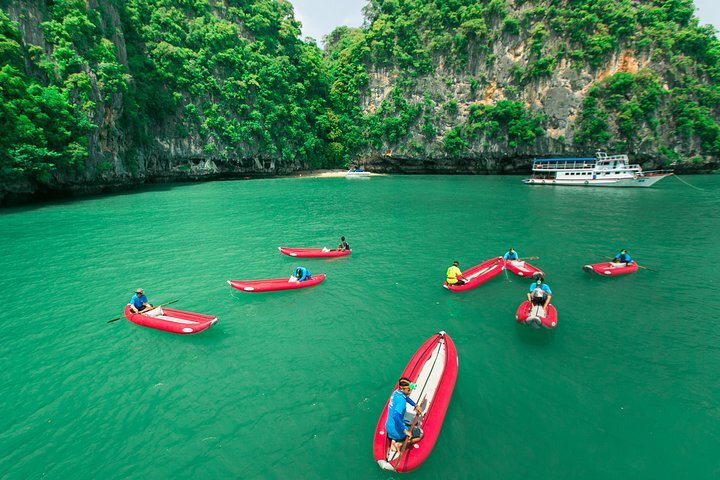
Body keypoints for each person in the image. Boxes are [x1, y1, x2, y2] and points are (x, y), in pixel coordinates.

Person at [385, 377, 424, 453]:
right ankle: (400, 444)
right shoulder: (401, 401)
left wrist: (415, 405)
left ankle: (393, 441)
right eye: (409, 389)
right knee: (421, 434)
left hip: (389, 428)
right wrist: (404, 430)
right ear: (402, 389)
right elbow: (396, 416)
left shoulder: (396, 392)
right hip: (398, 431)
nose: (410, 391)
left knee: (405, 422)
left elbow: (406, 397)